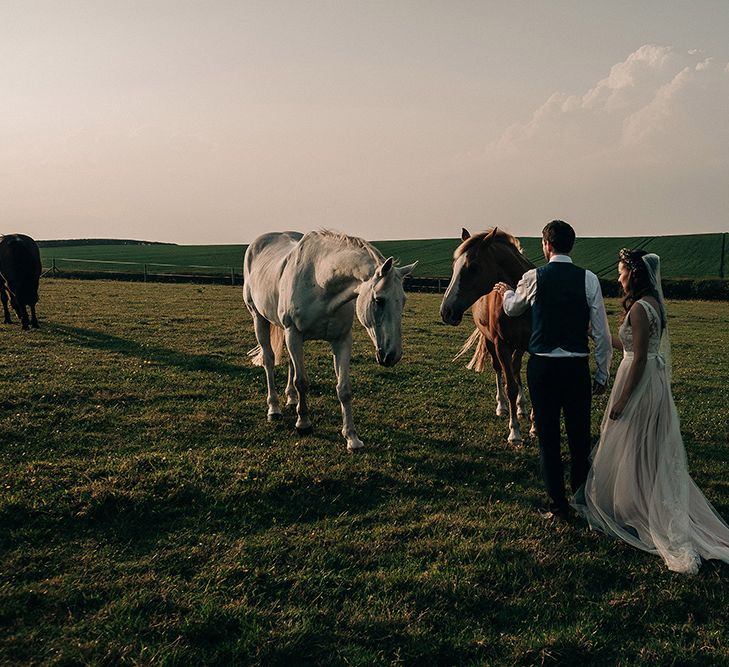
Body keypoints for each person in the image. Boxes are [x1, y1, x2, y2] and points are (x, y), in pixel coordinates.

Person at [572, 248, 729, 574]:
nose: (618, 277)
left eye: (621, 271)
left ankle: (635, 504)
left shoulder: (642, 308)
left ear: (634, 274)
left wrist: (623, 400)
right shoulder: (653, 304)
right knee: (643, 447)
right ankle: (637, 496)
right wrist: (595, 334)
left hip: (639, 384)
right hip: (648, 380)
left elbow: (639, 357)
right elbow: (632, 347)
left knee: (632, 442)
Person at [494, 220, 612, 521]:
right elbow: (600, 331)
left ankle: (558, 507)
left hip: (543, 367)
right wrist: (602, 373)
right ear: (570, 245)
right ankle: (582, 500)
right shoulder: (589, 279)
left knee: (548, 438)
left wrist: (506, 291)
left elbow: (513, 309)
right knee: (579, 436)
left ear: (546, 245)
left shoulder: (533, 277)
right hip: (576, 368)